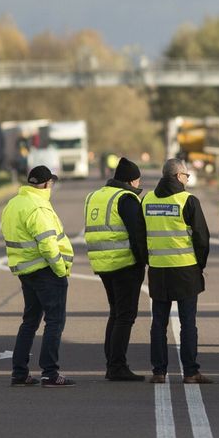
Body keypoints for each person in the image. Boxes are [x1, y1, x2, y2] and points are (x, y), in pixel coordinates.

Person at [3, 165, 75, 387]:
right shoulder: (39, 207)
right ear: (45, 184)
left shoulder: (14, 203)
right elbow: (47, 244)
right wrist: (61, 269)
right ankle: (50, 373)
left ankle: (19, 372)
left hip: (26, 271)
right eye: (51, 183)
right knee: (55, 321)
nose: (51, 186)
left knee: (30, 321)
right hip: (46, 271)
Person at [144, 158, 212, 384]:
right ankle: (191, 372)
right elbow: (202, 237)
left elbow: (139, 234)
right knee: (187, 323)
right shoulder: (188, 200)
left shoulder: (147, 200)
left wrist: (150, 259)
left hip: (158, 270)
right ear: (177, 176)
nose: (187, 179)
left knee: (158, 323)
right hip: (185, 270)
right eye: (186, 175)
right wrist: (199, 265)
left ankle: (158, 371)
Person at [84, 156, 148, 381]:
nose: (139, 185)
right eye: (138, 180)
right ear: (131, 181)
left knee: (116, 313)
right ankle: (117, 366)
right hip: (124, 264)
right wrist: (143, 261)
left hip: (102, 264)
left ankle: (112, 363)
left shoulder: (95, 195)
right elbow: (137, 233)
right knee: (125, 315)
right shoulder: (127, 198)